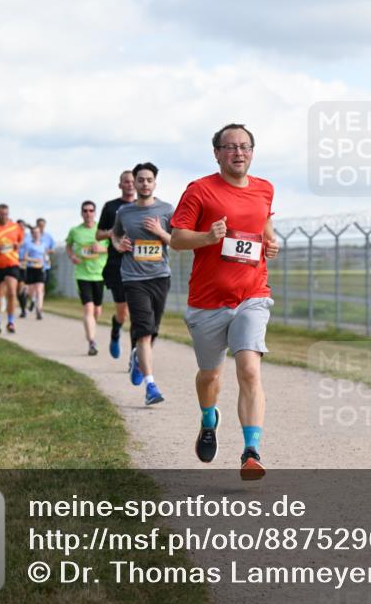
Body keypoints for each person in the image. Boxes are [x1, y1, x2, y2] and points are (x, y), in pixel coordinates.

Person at [169, 123, 280, 481]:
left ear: (252, 151)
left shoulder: (265, 189)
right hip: (207, 302)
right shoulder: (200, 190)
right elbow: (176, 238)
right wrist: (206, 236)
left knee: (249, 369)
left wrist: (271, 242)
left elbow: (263, 227)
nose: (238, 153)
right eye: (230, 147)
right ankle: (208, 418)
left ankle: (251, 451)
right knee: (210, 374)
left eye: (245, 146)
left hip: (252, 295)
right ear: (216, 153)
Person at [111, 162, 173, 406]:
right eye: (140, 180)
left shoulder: (167, 209)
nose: (144, 183)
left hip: (160, 276)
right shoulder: (124, 213)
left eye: (149, 180)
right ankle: (151, 386)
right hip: (134, 278)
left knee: (152, 330)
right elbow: (116, 235)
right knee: (144, 330)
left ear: (154, 183)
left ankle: (138, 356)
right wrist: (119, 245)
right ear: (134, 183)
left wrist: (160, 231)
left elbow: (177, 241)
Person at [96, 170, 136, 359]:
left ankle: (136, 357)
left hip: (139, 265)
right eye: (126, 182)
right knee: (123, 313)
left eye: (132, 181)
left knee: (138, 313)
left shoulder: (143, 207)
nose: (129, 185)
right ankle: (115, 330)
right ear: (120, 185)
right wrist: (113, 232)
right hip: (117, 265)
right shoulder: (111, 207)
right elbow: (98, 234)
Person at [66, 201, 108, 356]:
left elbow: (113, 246)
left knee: (97, 310)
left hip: (100, 274)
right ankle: (91, 342)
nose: (88, 213)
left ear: (95, 213)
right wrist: (72, 256)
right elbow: (68, 246)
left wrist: (101, 248)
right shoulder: (75, 231)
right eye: (85, 210)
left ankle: (91, 326)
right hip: (82, 274)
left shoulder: (102, 230)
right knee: (88, 308)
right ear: (81, 213)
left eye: (91, 210)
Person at [0, 204, 24, 334]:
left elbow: (21, 241)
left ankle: (11, 322)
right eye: (1, 214)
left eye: (6, 214)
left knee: (12, 292)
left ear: (9, 214)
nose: (4, 216)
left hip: (12, 263)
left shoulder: (15, 227)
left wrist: (18, 245)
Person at [22, 226, 48, 320]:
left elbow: (45, 255)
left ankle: (39, 311)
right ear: (32, 235)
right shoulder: (29, 245)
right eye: (34, 233)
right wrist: (34, 260)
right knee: (30, 291)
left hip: (40, 269)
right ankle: (32, 300)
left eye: (38, 233)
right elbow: (25, 257)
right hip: (31, 269)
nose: (36, 234)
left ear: (40, 234)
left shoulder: (43, 244)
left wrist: (47, 260)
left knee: (39, 290)